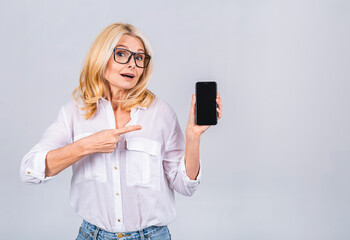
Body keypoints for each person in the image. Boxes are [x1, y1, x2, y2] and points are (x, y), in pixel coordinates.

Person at [20, 22, 223, 240]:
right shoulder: (75, 112)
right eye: (122, 54)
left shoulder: (160, 113)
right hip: (92, 235)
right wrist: (87, 145)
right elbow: (29, 172)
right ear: (102, 57)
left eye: (139, 58)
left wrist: (193, 137)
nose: (132, 64)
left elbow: (185, 186)